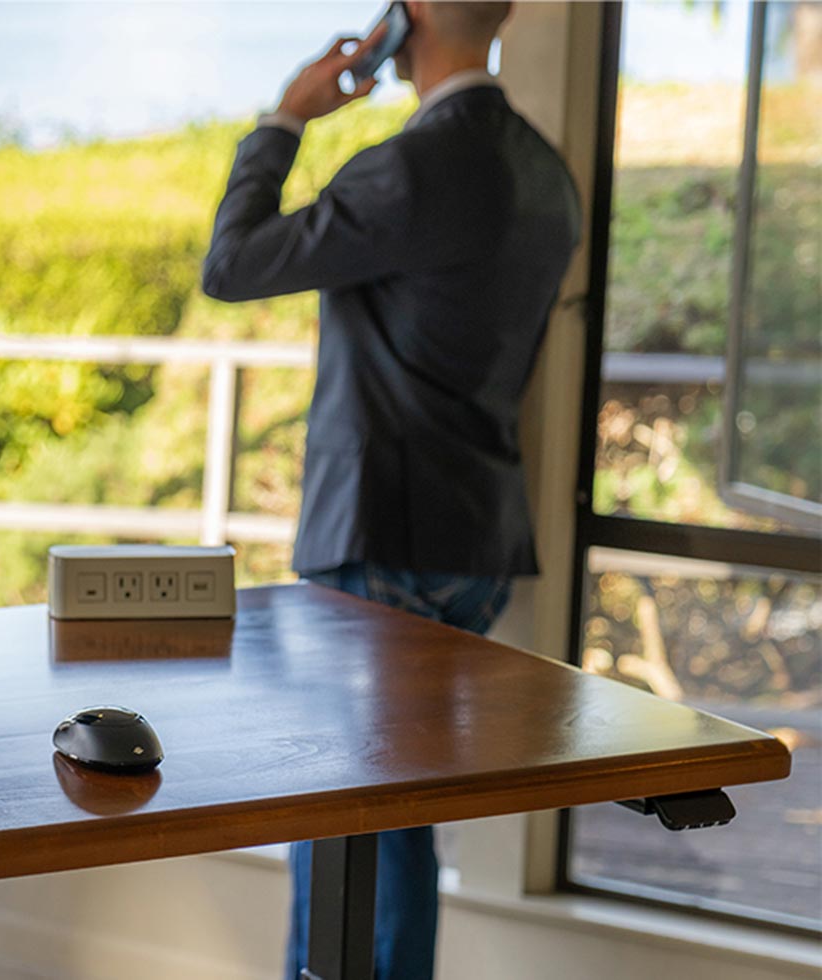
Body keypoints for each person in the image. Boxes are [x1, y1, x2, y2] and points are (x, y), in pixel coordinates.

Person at [200, 3, 579, 978]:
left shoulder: (408, 167)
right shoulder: (547, 174)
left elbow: (233, 263)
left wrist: (284, 119)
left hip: (379, 536)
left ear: (402, 16)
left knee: (348, 817)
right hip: (477, 544)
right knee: (395, 808)